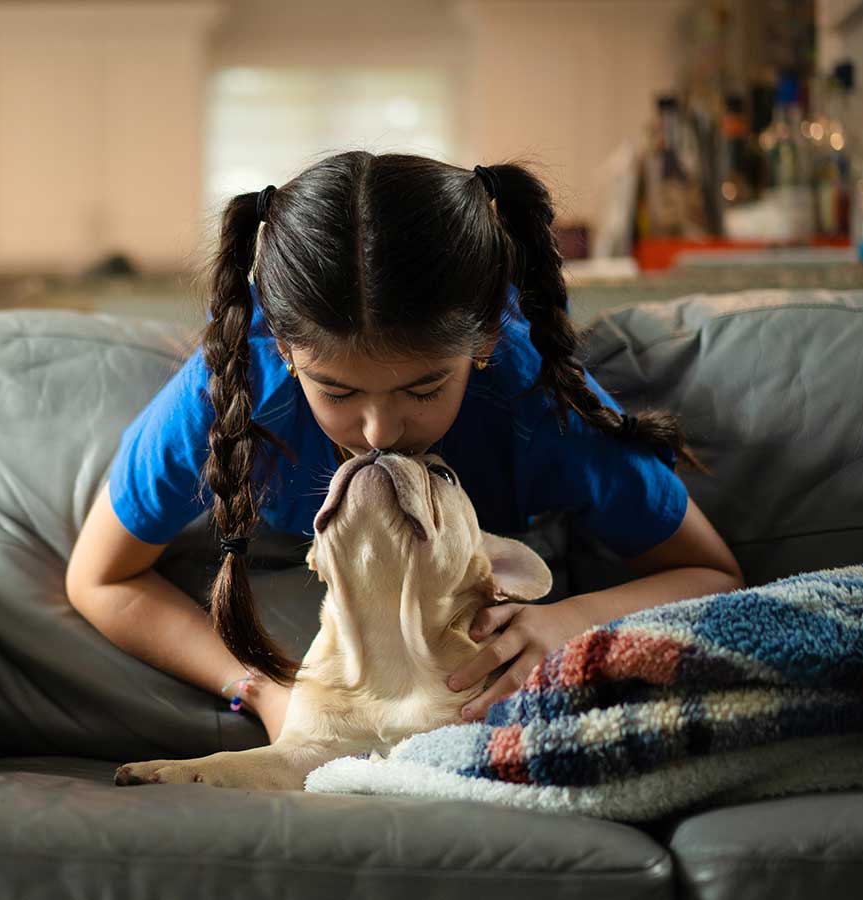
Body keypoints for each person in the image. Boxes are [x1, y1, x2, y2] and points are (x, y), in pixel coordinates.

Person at [64, 151, 744, 745]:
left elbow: (712, 573)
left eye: (423, 391)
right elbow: (99, 576)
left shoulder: (531, 399)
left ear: (482, 347)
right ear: (288, 353)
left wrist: (569, 621)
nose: (379, 433)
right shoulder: (239, 383)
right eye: (337, 392)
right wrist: (264, 691)